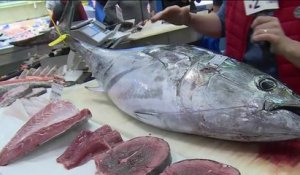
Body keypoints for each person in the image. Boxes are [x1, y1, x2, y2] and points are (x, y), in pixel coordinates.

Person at [151, 1, 300, 94]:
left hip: (289, 101)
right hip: (244, 92)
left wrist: (286, 45)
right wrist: (189, 18)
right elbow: (222, 23)